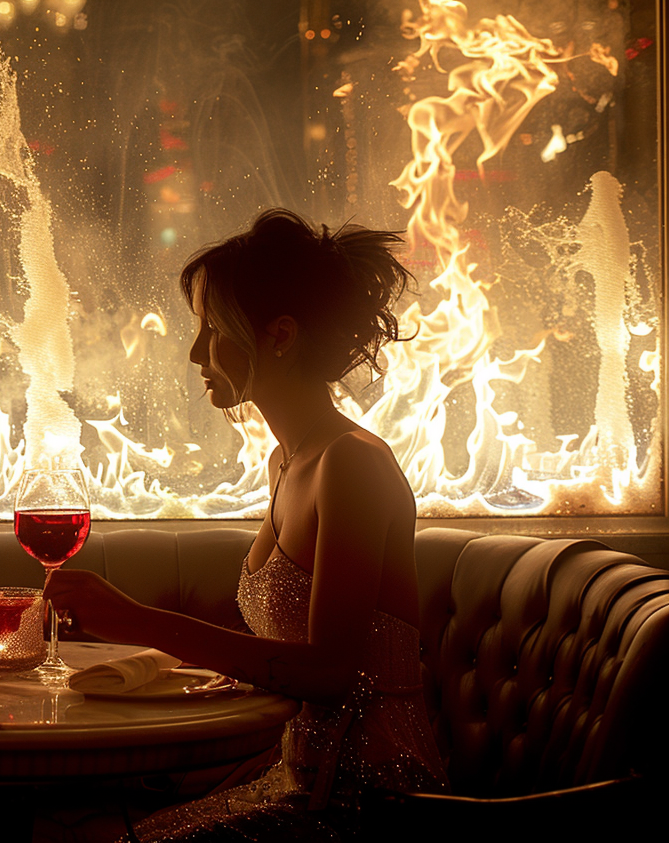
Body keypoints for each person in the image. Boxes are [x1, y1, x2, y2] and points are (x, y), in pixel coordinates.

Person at [45, 209, 448, 840]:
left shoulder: (351, 464)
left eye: (209, 328)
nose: (194, 351)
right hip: (299, 779)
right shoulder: (287, 459)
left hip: (369, 799)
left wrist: (134, 620)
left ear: (280, 335)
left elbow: (329, 672)